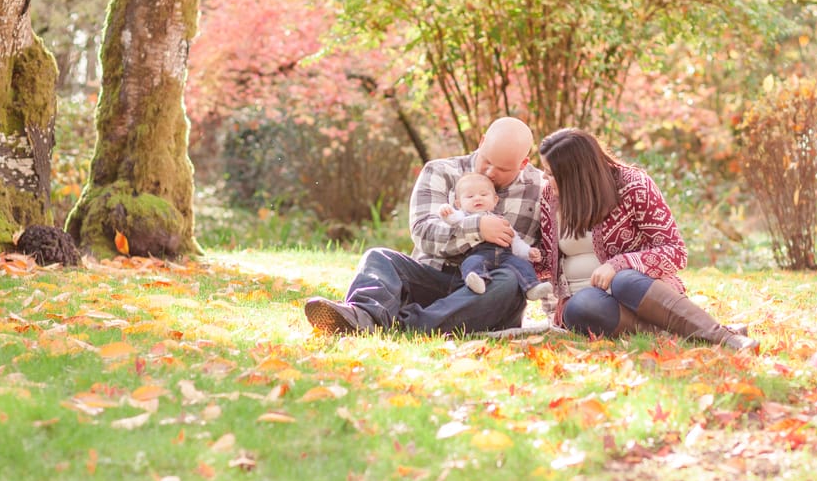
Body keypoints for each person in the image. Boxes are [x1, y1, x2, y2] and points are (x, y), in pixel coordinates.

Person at [304, 117, 545, 334]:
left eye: (502, 169)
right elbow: (424, 233)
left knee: (511, 281)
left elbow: (552, 256)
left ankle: (402, 324)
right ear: (481, 142)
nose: (491, 172)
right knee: (379, 257)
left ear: (523, 163)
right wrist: (477, 228)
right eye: (487, 162)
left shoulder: (539, 189)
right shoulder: (441, 171)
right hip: (433, 277)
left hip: (486, 292)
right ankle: (363, 316)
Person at [536, 128, 757, 351]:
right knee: (580, 307)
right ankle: (682, 332)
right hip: (593, 304)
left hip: (643, 294)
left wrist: (618, 264)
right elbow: (546, 262)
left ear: (576, 175)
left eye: (551, 174)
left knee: (623, 280)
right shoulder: (549, 197)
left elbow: (675, 252)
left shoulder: (633, 185)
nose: (545, 178)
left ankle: (724, 337)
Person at [440, 172, 552, 300]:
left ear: (495, 200)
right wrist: (446, 212)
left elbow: (515, 240)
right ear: (459, 204)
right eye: (470, 196)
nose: (477, 198)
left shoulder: (501, 220)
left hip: (505, 255)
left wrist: (528, 252)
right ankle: (478, 281)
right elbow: (452, 219)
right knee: (470, 263)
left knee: (522, 265)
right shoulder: (464, 216)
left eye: (483, 194)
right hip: (479, 253)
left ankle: (532, 287)